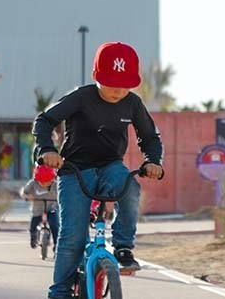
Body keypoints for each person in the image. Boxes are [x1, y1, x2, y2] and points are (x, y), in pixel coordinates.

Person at [33, 41, 164, 299]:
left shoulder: (133, 104)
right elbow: (44, 120)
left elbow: (150, 137)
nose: (118, 90)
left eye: (125, 84)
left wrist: (153, 161)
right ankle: (59, 292)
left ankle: (124, 248)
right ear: (97, 77)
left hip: (109, 166)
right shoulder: (82, 97)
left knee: (131, 189)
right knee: (72, 237)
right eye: (112, 83)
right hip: (74, 170)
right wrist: (47, 150)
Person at [20, 165, 60, 249]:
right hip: (37, 210)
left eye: (47, 181)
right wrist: (27, 196)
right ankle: (33, 238)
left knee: (54, 224)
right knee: (33, 225)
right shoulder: (33, 183)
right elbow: (23, 192)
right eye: (42, 182)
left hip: (51, 208)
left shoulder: (55, 184)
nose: (44, 184)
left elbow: (62, 193)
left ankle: (57, 244)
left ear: (52, 179)